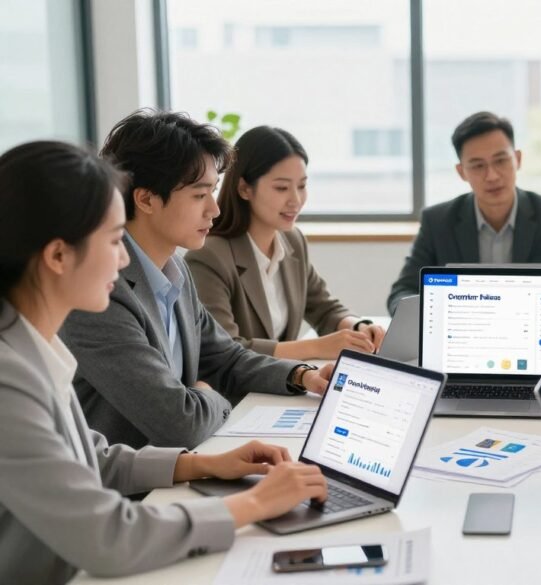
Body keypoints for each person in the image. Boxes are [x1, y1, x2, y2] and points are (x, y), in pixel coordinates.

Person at [0, 141, 329, 584]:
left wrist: (202, 464)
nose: (123, 257)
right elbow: (108, 536)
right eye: (114, 240)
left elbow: (86, 457)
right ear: (58, 256)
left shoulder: (32, 349)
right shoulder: (8, 378)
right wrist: (255, 503)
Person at [60, 110, 334, 450]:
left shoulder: (174, 269)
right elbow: (180, 423)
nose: (214, 210)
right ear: (145, 199)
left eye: (213, 192)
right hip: (129, 477)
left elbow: (226, 358)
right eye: (199, 195)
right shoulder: (101, 291)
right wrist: (209, 395)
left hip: (183, 462)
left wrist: (302, 376)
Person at [185, 126, 385, 359]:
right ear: (244, 188)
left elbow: (323, 308)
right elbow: (225, 350)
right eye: (281, 188)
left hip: (285, 377)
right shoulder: (210, 255)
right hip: (242, 383)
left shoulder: (292, 241)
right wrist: (316, 347)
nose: (296, 200)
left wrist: (358, 327)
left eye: (302, 186)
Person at [386, 111, 541, 315]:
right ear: (461, 172)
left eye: (501, 161)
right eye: (478, 166)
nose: (491, 176)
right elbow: (403, 292)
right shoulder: (437, 222)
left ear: (517, 159)